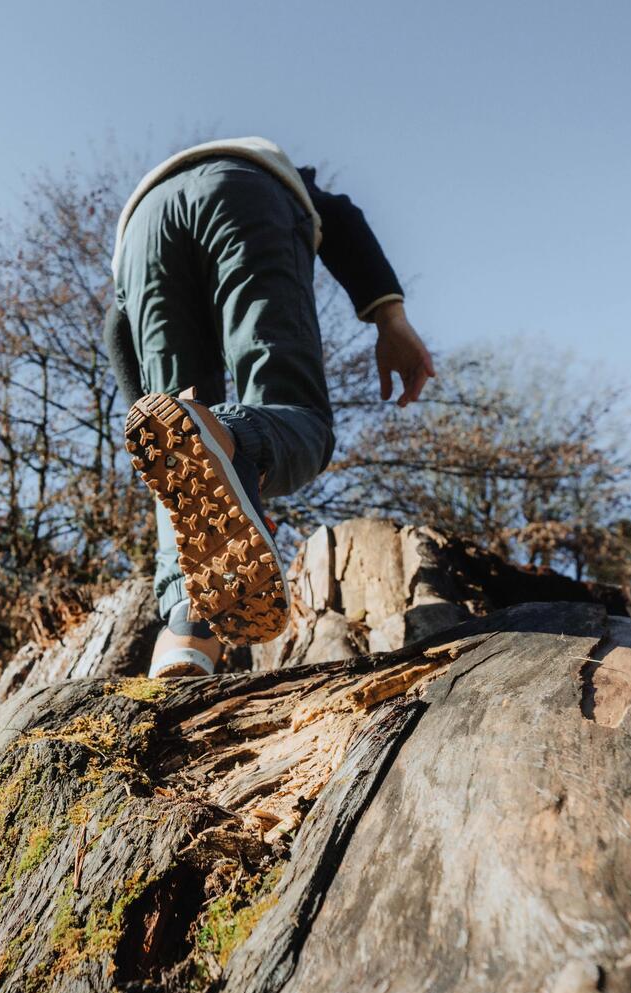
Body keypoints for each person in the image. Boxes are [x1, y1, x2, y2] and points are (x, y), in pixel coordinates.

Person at [104, 137, 436, 677]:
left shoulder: (152, 199)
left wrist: (151, 435)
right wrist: (390, 318)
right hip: (246, 192)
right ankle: (231, 441)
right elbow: (341, 216)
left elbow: (118, 328)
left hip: (140, 232)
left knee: (178, 452)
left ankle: (186, 635)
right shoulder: (266, 162)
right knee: (293, 413)